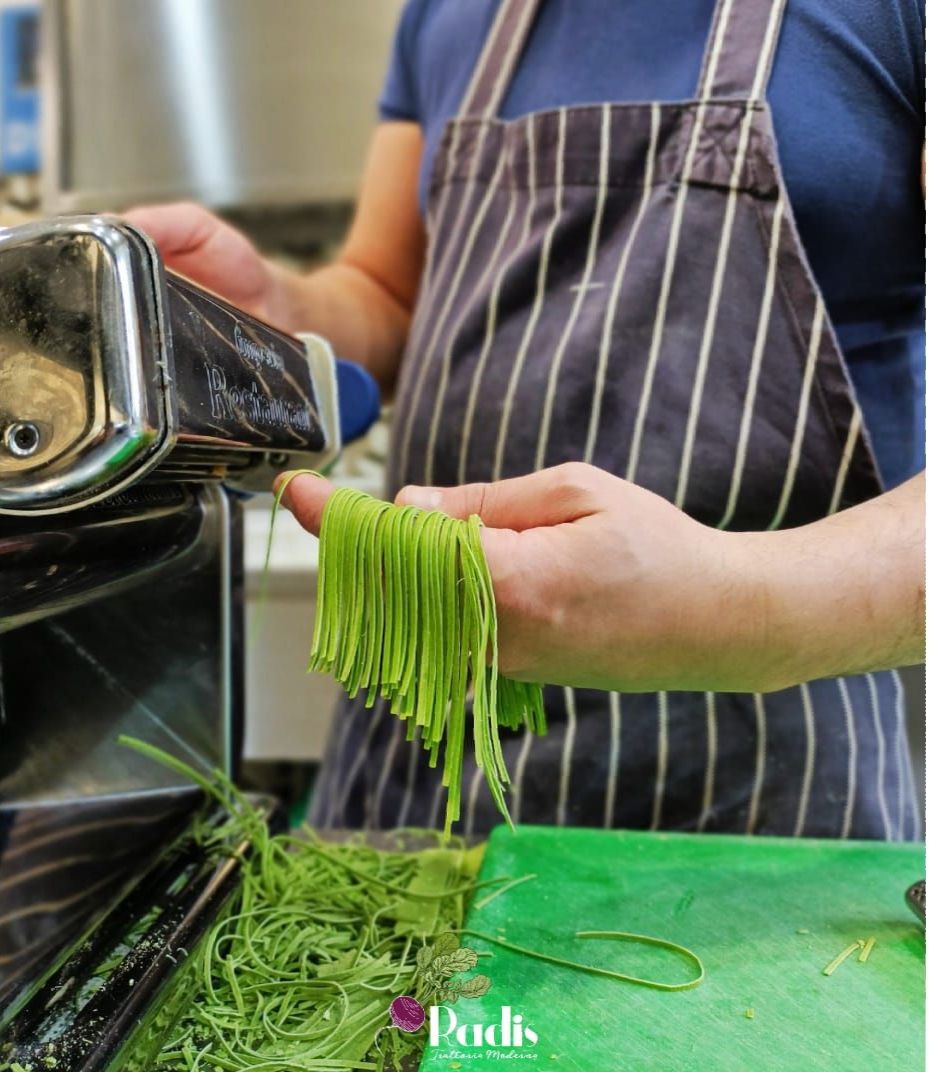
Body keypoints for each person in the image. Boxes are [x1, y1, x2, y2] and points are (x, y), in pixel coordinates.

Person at [128, 0, 925, 841]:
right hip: (421, 761)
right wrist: (272, 314)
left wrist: (741, 612)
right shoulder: (446, 15)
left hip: (755, 804)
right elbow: (394, 293)